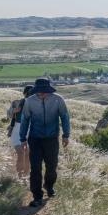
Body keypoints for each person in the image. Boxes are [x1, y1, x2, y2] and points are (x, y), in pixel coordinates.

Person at [19, 77, 71, 207]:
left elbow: (64, 117)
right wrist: (22, 138)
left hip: (52, 138)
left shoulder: (58, 100)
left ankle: (49, 185)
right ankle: (37, 196)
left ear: (49, 90)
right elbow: (25, 120)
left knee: (52, 166)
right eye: (38, 91)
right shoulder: (29, 101)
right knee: (35, 168)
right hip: (35, 138)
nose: (41, 94)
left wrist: (66, 135)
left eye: (43, 91)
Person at [6, 85, 33, 180]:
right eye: (28, 93)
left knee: (28, 155)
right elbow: (8, 114)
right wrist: (14, 110)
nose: (30, 95)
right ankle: (20, 177)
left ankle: (26, 176)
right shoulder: (16, 103)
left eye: (32, 93)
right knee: (21, 153)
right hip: (17, 129)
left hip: (30, 131)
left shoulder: (37, 104)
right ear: (24, 93)